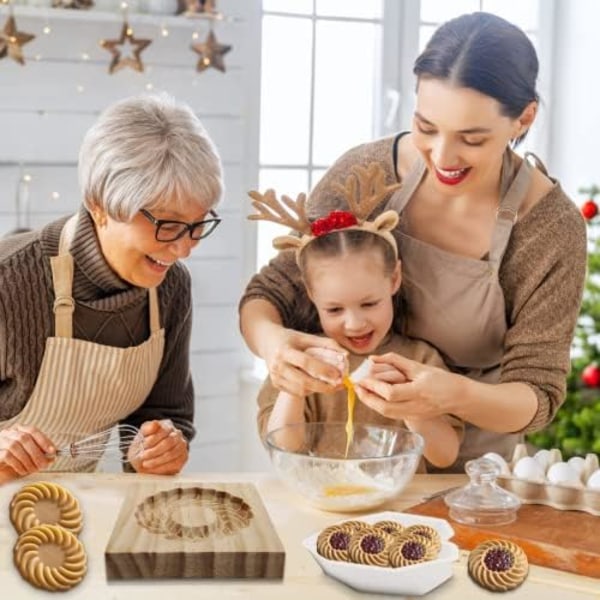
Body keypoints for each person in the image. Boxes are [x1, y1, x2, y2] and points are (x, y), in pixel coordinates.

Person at [239, 12, 587, 472]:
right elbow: (270, 294)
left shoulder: (549, 227)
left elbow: (536, 396)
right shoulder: (366, 175)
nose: (443, 156)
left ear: (523, 118)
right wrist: (274, 346)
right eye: (426, 127)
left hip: (470, 473)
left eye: (472, 139)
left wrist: (446, 394)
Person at [0, 93, 224, 483]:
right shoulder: (9, 281)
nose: (185, 248)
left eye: (198, 224)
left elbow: (164, 411)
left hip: (79, 505)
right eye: (168, 225)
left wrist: (159, 447)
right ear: (99, 204)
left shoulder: (170, 287)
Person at [250, 165, 463, 469]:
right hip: (324, 505)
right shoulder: (300, 360)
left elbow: (445, 455)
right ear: (311, 295)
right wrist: (294, 387)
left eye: (369, 303)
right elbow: (282, 448)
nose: (354, 323)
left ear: (394, 279)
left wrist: (411, 406)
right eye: (335, 310)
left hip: (402, 508)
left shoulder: (419, 360)